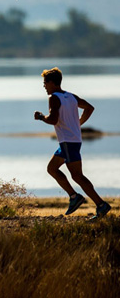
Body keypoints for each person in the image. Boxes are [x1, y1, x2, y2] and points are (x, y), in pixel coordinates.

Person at [34, 67, 110, 219]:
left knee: (77, 176)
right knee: (52, 168)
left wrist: (42, 117)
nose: (44, 86)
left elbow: (53, 119)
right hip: (71, 141)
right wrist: (78, 123)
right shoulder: (71, 96)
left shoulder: (54, 98)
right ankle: (74, 196)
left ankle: (101, 205)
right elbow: (89, 108)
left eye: (45, 83)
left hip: (68, 142)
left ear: (53, 83)